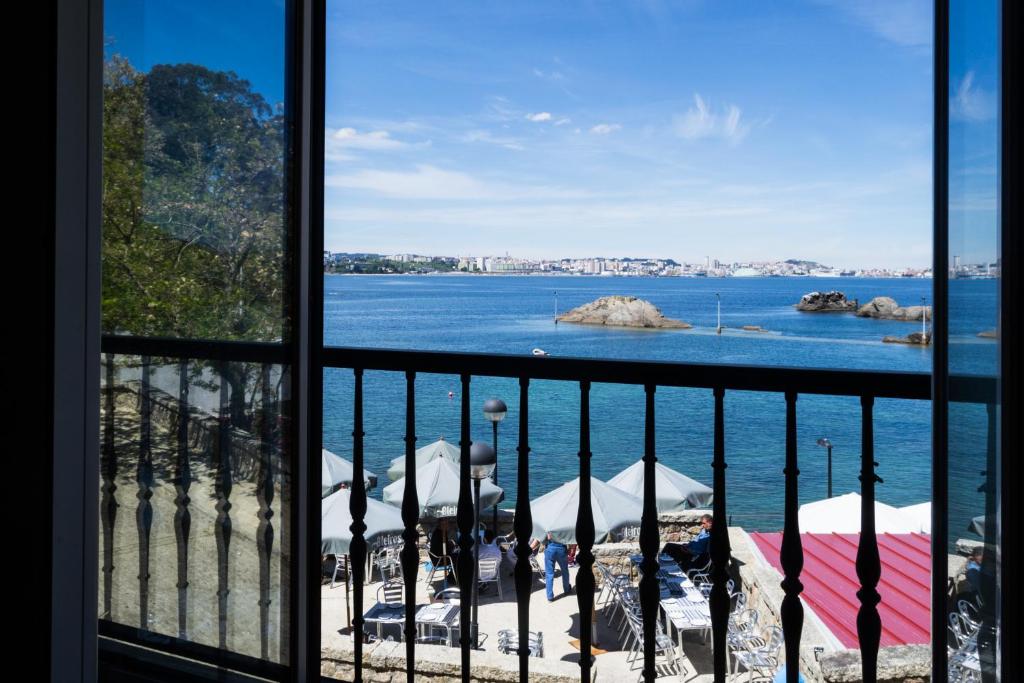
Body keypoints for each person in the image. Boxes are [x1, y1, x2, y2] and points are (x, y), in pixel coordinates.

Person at [543, 531, 572, 601]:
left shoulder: (549, 526)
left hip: (550, 548)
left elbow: (543, 538)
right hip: (561, 548)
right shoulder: (563, 526)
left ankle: (550, 596)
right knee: (565, 571)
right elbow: (569, 536)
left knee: (549, 573)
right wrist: (570, 548)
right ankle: (566, 589)